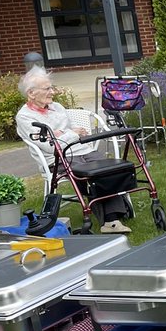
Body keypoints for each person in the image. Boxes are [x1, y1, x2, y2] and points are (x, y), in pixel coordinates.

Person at [15, 66, 132, 232]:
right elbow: (50, 147)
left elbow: (71, 131)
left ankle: (114, 210)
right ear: (31, 93)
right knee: (91, 175)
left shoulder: (57, 107)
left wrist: (65, 133)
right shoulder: (25, 117)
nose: (52, 92)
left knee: (109, 169)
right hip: (57, 159)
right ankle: (111, 221)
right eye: (47, 88)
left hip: (82, 150)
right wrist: (70, 134)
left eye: (51, 87)